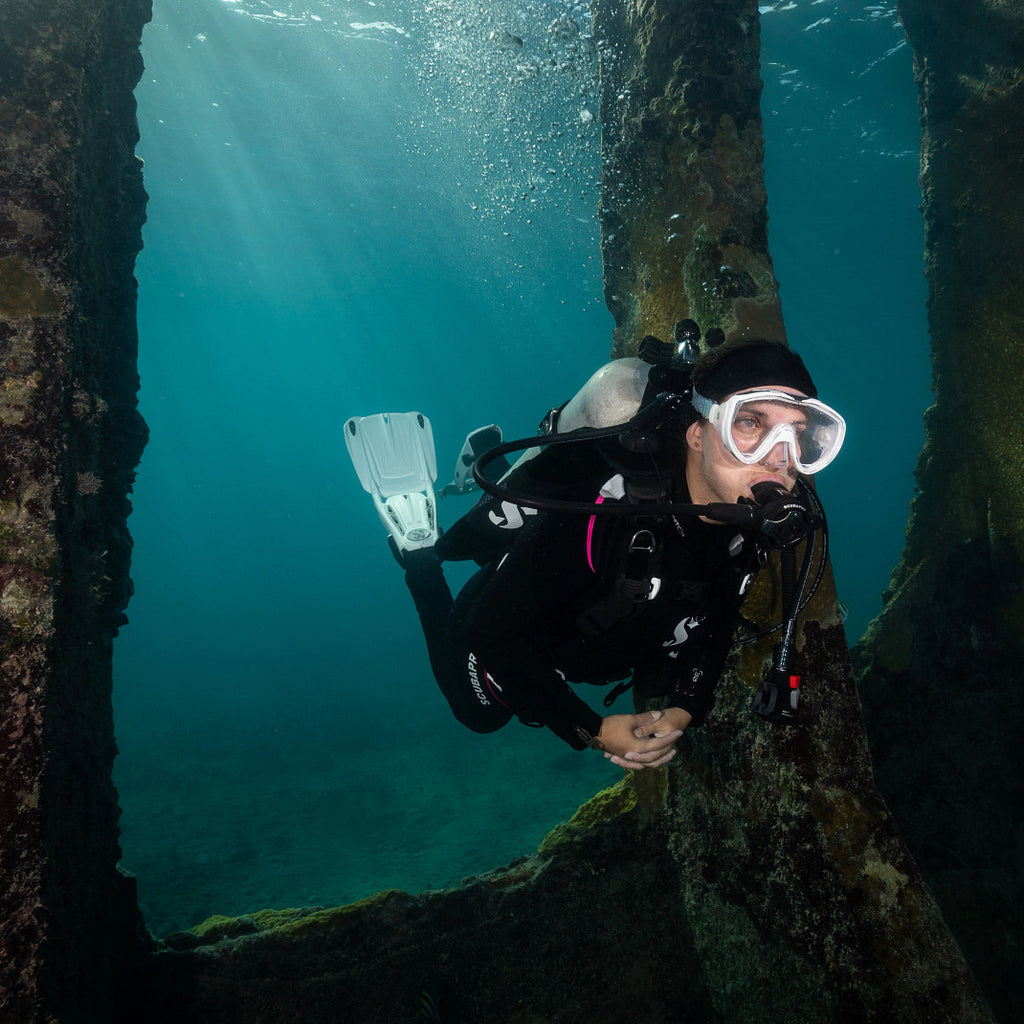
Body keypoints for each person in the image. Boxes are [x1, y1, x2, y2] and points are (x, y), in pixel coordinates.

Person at [345, 328, 845, 770]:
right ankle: (421, 558)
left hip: (595, 639)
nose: (779, 460)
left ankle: (495, 480)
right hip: (512, 625)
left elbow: (715, 623)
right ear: (697, 434)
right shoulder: (608, 515)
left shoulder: (750, 523)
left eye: (800, 435)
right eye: (750, 424)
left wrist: (687, 708)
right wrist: (592, 728)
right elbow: (490, 631)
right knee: (479, 715)